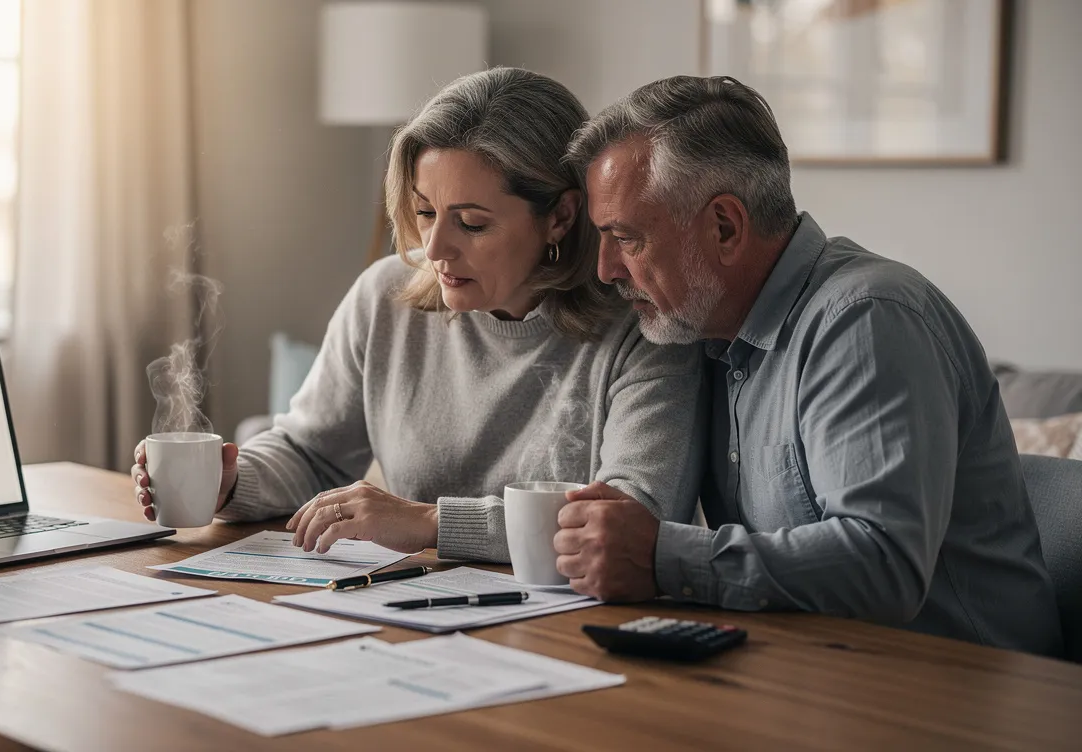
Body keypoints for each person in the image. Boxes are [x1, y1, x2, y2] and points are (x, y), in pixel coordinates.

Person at [556, 74, 1063, 655]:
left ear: (724, 226)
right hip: (811, 674)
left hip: (964, 698)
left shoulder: (866, 319)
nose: (606, 270)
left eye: (625, 238)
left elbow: (884, 567)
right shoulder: (708, 334)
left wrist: (664, 556)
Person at [131, 67, 707, 561]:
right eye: (426, 212)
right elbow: (311, 451)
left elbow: (632, 515)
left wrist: (430, 522)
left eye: (473, 223)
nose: (434, 252)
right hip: (416, 615)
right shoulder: (385, 298)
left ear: (560, 216)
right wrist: (233, 483)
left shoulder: (645, 325)